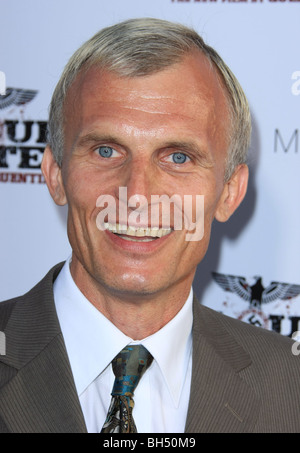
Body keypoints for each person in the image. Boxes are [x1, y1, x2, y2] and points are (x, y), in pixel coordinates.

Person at [0, 17, 299, 434]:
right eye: (106, 150)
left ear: (229, 192)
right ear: (54, 174)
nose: (137, 195)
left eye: (178, 157)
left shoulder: (291, 385)